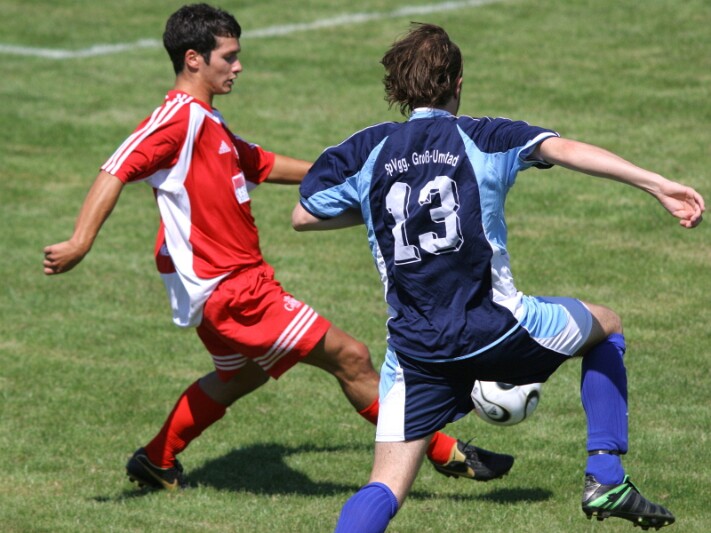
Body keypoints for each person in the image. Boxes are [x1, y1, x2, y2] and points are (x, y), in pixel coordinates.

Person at [42, 5, 515, 493]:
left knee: (240, 375)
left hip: (224, 282)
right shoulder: (177, 120)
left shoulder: (207, 121)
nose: (239, 66)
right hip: (232, 286)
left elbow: (261, 163)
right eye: (229, 57)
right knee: (351, 357)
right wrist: (80, 241)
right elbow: (117, 166)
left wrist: (358, 174)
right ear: (193, 59)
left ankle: (155, 459)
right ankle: (446, 452)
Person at [292, 22, 705, 532]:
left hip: (418, 353)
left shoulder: (367, 150)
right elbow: (565, 150)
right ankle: (606, 476)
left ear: (398, 85)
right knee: (608, 325)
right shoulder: (483, 135)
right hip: (499, 329)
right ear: (457, 82)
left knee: (384, 486)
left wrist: (384, 208)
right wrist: (656, 184)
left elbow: (304, 215)